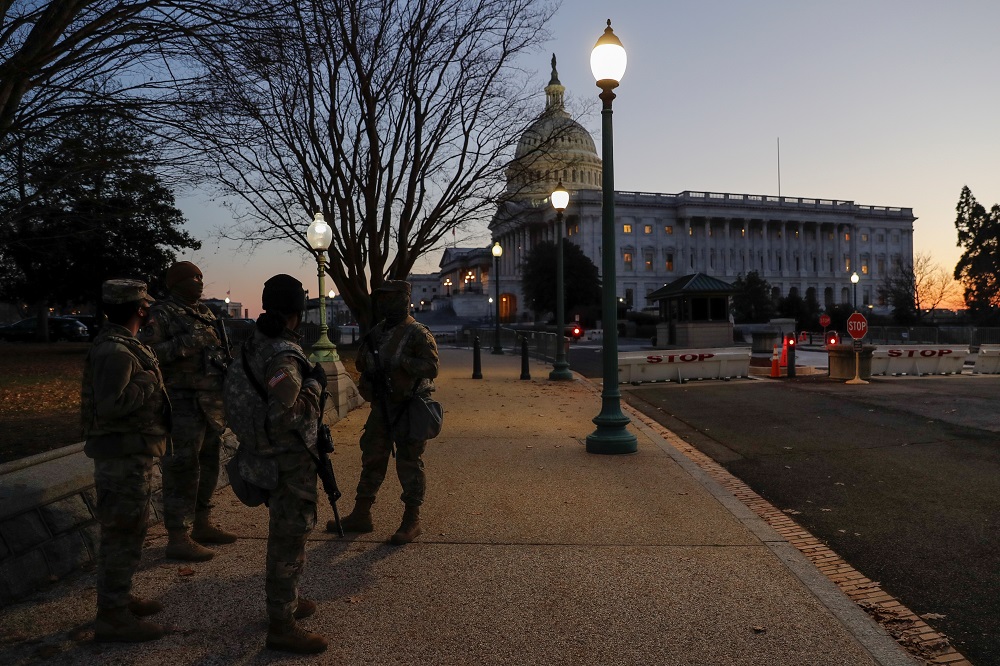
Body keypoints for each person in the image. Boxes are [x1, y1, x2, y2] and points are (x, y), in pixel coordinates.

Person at [237, 274, 328, 653]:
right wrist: (315, 385)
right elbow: (286, 415)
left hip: (264, 453)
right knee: (289, 538)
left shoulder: (253, 344)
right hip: (287, 459)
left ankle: (286, 603)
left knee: (286, 534)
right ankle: (281, 624)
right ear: (298, 310)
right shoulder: (284, 355)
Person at [82, 279, 170, 642]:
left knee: (131, 529)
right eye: (146, 305)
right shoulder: (116, 352)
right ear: (140, 309)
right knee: (122, 531)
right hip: (121, 457)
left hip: (132, 453)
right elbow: (110, 406)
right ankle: (113, 615)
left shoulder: (124, 345)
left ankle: (120, 597)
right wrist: (148, 381)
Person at [329, 280, 439, 545]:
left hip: (409, 406)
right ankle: (361, 513)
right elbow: (361, 360)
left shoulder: (417, 333)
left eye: (389, 298)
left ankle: (412, 519)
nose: (383, 303)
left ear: (403, 298)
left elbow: (431, 368)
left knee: (409, 462)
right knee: (372, 459)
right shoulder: (377, 332)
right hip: (382, 407)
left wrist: (402, 362)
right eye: (381, 298)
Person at [140, 261, 235, 561]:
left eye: (201, 276)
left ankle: (202, 523)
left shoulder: (206, 313)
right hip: (181, 403)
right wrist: (187, 342)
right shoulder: (162, 313)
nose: (199, 281)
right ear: (176, 282)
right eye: (193, 277)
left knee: (208, 463)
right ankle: (178, 536)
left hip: (211, 403)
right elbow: (150, 354)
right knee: (181, 468)